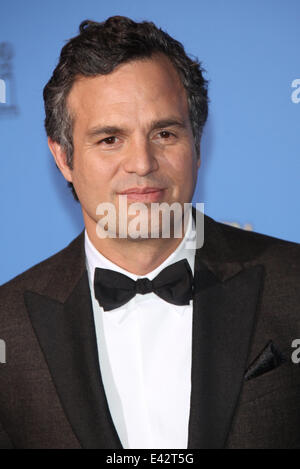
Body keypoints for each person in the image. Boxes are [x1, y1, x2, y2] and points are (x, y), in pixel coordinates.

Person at [0, 16, 299, 450]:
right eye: (109, 139)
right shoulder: (8, 326)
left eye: (164, 133)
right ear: (64, 158)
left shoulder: (292, 284)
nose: (142, 163)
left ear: (197, 144)